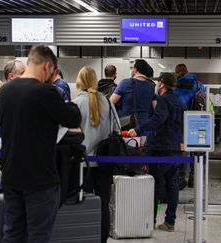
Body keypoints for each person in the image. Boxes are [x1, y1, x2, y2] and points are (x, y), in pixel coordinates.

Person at [0, 44, 82, 243]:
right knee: (38, 235)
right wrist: (68, 100)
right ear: (46, 66)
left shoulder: (4, 92)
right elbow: (72, 118)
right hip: (39, 178)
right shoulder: (45, 92)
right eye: (51, 71)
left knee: (12, 233)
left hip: (10, 175)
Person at [128, 72, 186, 232]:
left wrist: (138, 129)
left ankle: (149, 222)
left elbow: (157, 120)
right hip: (176, 149)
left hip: (160, 150)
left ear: (161, 84)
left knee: (154, 186)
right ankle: (170, 222)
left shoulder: (163, 100)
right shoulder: (181, 103)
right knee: (172, 185)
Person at [72, 66, 120, 243]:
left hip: (83, 165)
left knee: (83, 202)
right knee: (103, 203)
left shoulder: (76, 104)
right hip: (105, 162)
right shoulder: (107, 102)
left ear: (80, 81)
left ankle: (85, 237)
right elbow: (117, 129)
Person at [174, 64, 206, 188]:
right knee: (197, 150)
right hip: (196, 120)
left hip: (180, 121)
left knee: (182, 151)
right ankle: (195, 177)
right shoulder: (199, 84)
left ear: (178, 72)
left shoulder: (175, 86)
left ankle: (181, 179)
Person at [110, 59, 156, 126]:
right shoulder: (152, 86)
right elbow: (156, 108)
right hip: (145, 125)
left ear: (135, 69)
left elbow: (111, 102)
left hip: (126, 124)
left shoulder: (125, 83)